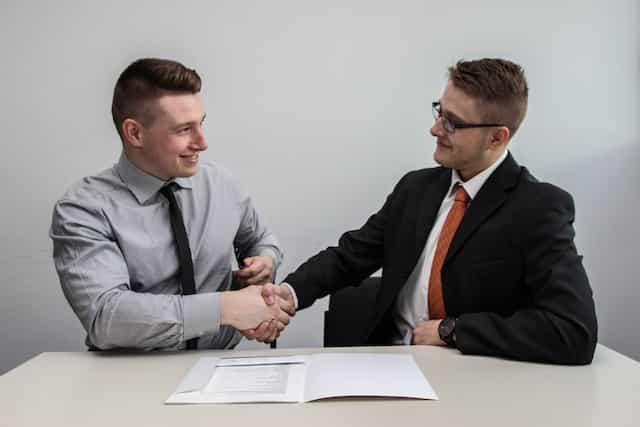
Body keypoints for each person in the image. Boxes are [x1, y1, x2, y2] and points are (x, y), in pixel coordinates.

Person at [264, 58, 597, 365]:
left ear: (497, 137)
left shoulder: (538, 208)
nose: (435, 129)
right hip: (388, 366)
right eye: (439, 112)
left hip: (474, 379)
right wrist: (287, 295)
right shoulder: (416, 189)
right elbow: (351, 256)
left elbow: (573, 330)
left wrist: (451, 330)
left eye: (453, 123)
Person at [50, 58, 291, 351]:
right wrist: (224, 308)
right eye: (183, 130)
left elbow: (261, 240)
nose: (202, 143)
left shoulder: (223, 185)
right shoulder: (84, 209)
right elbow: (106, 318)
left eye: (201, 124)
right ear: (135, 133)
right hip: (128, 378)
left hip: (220, 367)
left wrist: (264, 262)